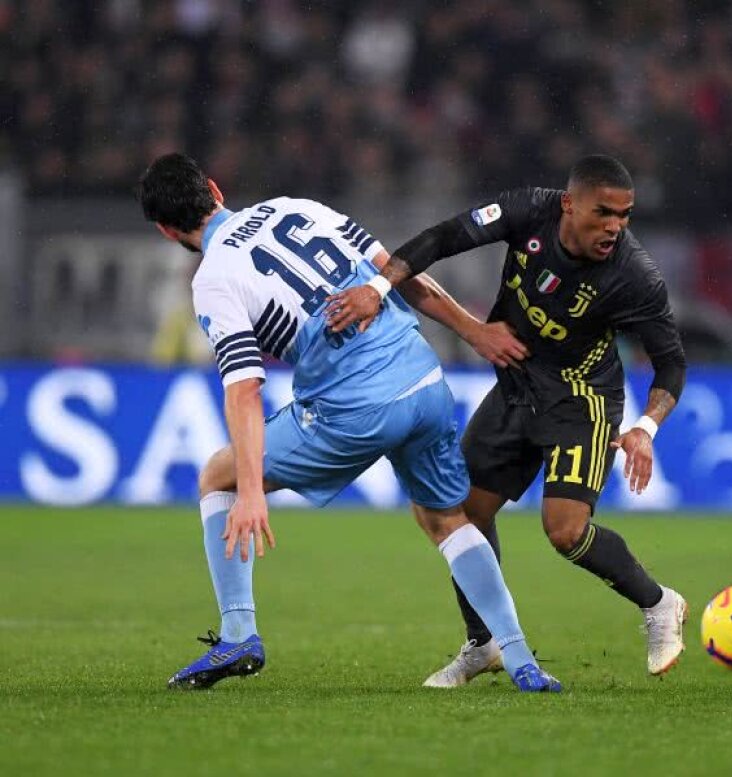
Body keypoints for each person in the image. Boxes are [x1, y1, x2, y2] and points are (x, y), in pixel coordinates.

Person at [135, 152, 560, 693]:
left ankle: (239, 632)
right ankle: (520, 657)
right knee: (445, 519)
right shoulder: (299, 208)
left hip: (354, 408)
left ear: (167, 230)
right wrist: (472, 330)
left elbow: (244, 388)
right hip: (424, 378)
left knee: (216, 475)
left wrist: (250, 490)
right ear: (215, 189)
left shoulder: (214, 278)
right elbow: (403, 276)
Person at [326, 154, 689, 686]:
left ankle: (659, 604)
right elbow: (443, 237)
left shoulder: (634, 276)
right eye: (603, 212)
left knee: (565, 532)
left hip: (580, 399)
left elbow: (672, 363)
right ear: (570, 204)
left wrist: (646, 427)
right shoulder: (528, 210)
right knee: (460, 513)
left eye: (625, 215)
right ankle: (484, 642)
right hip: (517, 385)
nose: (615, 226)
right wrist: (379, 290)